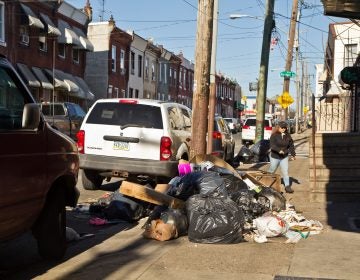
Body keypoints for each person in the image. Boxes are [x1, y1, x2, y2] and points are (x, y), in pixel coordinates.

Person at [268, 121, 296, 193]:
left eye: (285, 128)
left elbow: (291, 145)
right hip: (275, 156)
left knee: (285, 172)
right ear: (278, 127)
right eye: (282, 128)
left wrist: (293, 154)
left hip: (284, 156)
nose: (284, 129)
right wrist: (278, 150)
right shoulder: (274, 135)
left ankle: (287, 187)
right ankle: (267, 183)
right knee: (272, 170)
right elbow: (272, 145)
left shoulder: (287, 135)